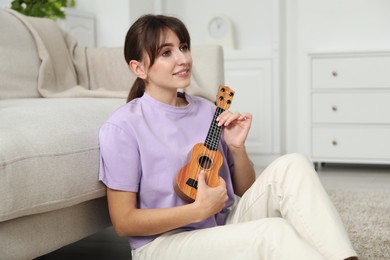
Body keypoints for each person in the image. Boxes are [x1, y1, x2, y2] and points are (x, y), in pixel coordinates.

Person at [98, 14, 358, 260]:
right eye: (167, 52)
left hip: (219, 225)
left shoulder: (208, 110)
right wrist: (198, 210)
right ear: (139, 68)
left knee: (294, 164)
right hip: (163, 244)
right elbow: (124, 222)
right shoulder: (123, 127)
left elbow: (245, 188)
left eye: (184, 47)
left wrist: (237, 148)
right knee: (273, 232)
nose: (183, 59)